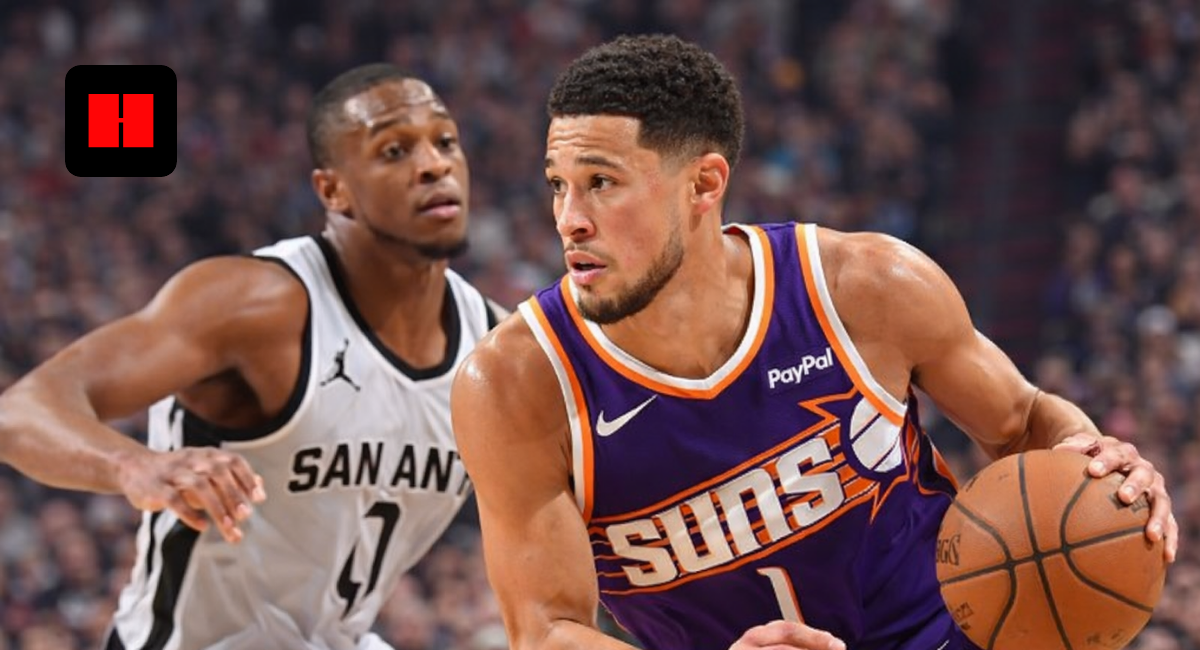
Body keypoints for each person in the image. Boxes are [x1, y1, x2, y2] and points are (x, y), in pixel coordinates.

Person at [450, 34, 1178, 650]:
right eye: (557, 184)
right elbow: (546, 627)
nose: (568, 219)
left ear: (704, 184)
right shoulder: (517, 382)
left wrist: (1101, 465)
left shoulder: (864, 286)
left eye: (601, 182)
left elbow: (1022, 422)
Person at [0, 63, 503, 649]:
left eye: (445, 142)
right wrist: (136, 466)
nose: (434, 164)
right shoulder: (253, 304)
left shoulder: (497, 350)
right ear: (332, 190)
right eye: (394, 150)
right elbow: (20, 413)